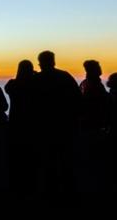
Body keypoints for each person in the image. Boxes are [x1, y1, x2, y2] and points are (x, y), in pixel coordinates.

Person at [33, 51, 82, 198]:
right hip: (65, 128)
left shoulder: (37, 80)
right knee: (67, 163)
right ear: (53, 61)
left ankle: (49, 194)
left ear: (40, 63)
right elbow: (78, 99)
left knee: (47, 164)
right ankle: (69, 195)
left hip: (43, 130)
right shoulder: (64, 77)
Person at [5, 60, 37, 194]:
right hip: (32, 124)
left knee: (16, 157)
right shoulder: (35, 84)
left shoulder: (12, 84)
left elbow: (8, 88)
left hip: (15, 122)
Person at [79, 60, 109, 134]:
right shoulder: (95, 85)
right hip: (95, 124)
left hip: (88, 123)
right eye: (98, 67)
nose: (100, 69)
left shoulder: (84, 83)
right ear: (93, 70)